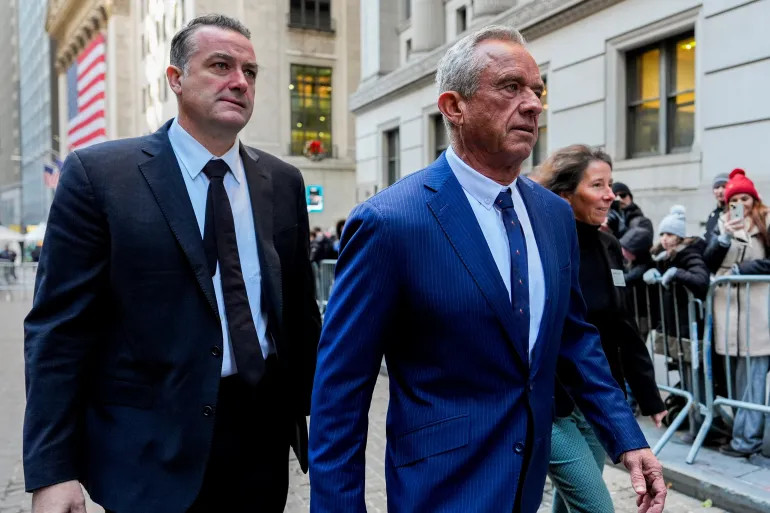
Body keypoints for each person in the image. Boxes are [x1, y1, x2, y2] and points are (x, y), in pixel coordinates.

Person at [309, 26, 666, 513]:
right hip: (440, 490)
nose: (534, 104)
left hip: (526, 483)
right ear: (454, 107)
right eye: (511, 87)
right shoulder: (390, 222)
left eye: (537, 91)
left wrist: (627, 437)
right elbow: (341, 396)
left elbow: (574, 337)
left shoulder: (553, 214)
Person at [23, 14, 320, 513]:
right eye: (221, 65)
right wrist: (53, 471)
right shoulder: (100, 178)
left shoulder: (283, 182)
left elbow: (299, 318)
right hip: (147, 452)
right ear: (176, 79)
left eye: (250, 71)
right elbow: (58, 331)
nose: (239, 82)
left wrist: (326, 424)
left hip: (259, 445)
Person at [536, 145, 666, 513]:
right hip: (553, 403)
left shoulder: (609, 244)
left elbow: (622, 323)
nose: (611, 194)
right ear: (565, 194)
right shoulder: (543, 245)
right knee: (595, 506)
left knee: (570, 503)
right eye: (598, 185)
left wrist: (649, 395)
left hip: (598, 400)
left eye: (610, 184)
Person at [703, 168, 770, 458]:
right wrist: (723, 239)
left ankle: (747, 440)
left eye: (746, 198)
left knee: (753, 380)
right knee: (737, 382)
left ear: (754, 200)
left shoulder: (766, 222)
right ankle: (740, 434)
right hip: (729, 316)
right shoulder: (722, 226)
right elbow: (708, 262)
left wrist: (745, 269)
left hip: (758, 316)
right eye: (735, 199)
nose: (740, 204)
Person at [705, 173, 729, 243]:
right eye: (717, 187)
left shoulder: (735, 210)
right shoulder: (712, 214)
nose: (720, 191)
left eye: (724, 187)